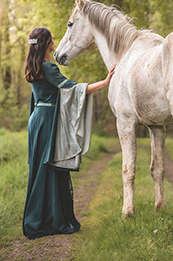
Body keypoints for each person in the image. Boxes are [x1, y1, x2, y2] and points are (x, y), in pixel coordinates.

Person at [23, 27, 114, 239]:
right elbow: (73, 90)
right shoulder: (48, 68)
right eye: (52, 38)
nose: (54, 41)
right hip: (47, 121)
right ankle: (51, 220)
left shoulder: (32, 67)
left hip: (36, 121)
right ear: (48, 43)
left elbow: (36, 99)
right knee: (52, 166)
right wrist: (105, 82)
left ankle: (41, 218)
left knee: (40, 168)